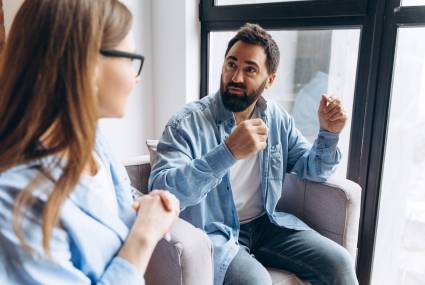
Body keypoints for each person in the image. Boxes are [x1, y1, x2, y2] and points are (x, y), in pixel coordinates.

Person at [149, 23, 358, 285]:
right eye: (231, 64)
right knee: (256, 281)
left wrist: (329, 134)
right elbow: (162, 191)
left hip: (266, 224)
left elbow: (313, 168)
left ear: (269, 80)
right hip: (214, 232)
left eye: (250, 69)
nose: (236, 77)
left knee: (339, 262)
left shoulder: (277, 119)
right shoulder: (186, 123)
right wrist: (227, 153)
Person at [0, 0, 179, 284]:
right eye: (130, 59)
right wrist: (144, 236)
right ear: (88, 63)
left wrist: (147, 206)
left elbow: (109, 207)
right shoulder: (15, 205)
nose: (135, 78)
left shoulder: (92, 141)